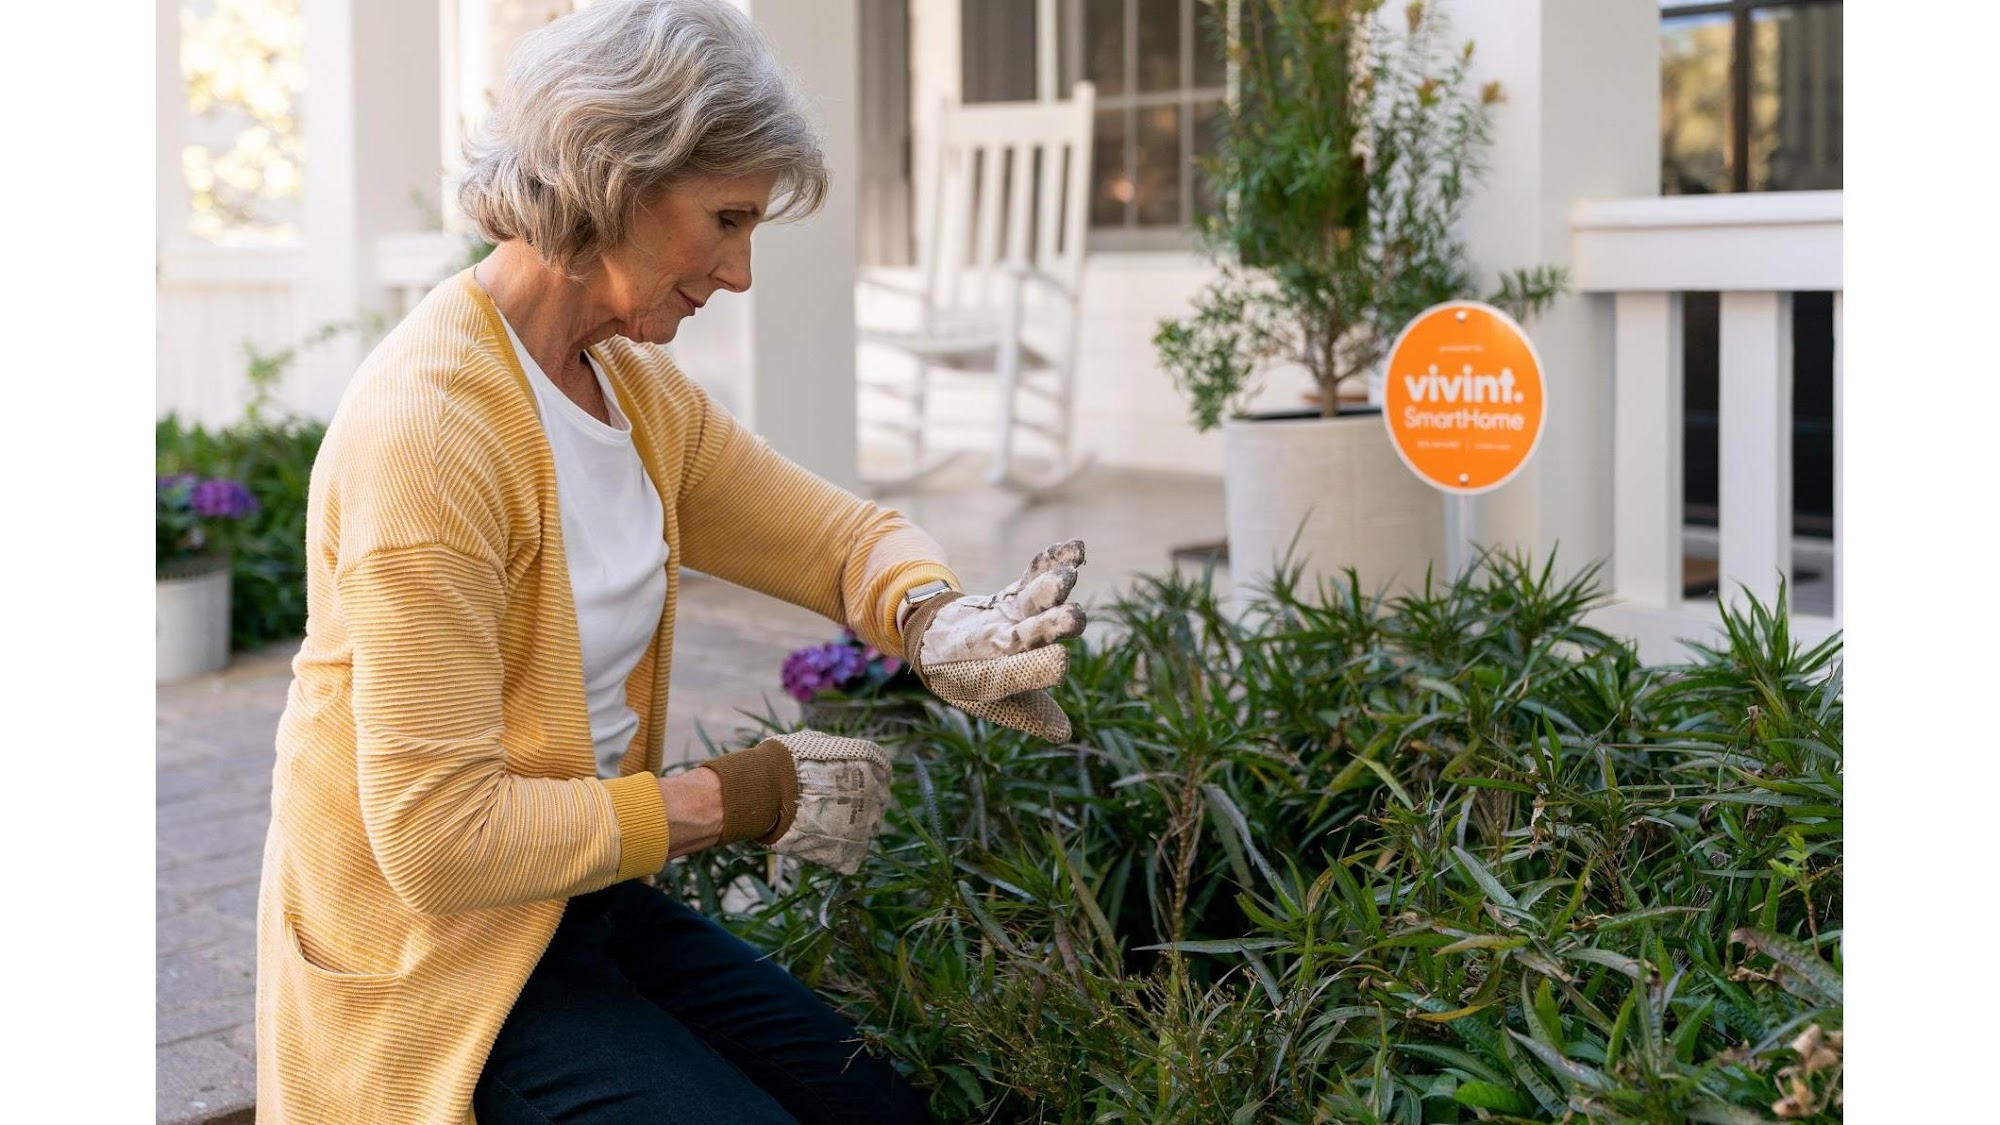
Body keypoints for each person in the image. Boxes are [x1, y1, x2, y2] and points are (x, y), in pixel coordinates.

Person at [251, 2, 1089, 1121]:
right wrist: (740, 797)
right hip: (430, 964)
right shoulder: (430, 436)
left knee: (876, 1107)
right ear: (614, 179)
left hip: (577, 899)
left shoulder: (629, 388)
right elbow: (440, 842)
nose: (739, 272)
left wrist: (935, 618)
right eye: (726, 220)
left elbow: (839, 539)